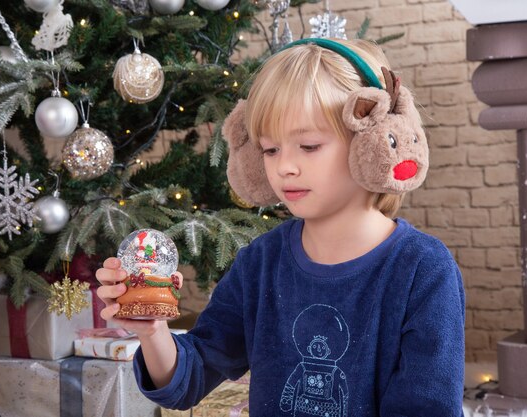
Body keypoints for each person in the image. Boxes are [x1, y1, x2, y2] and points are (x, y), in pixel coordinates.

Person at [96, 38, 465, 416]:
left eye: (308, 146)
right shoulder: (260, 263)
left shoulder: (424, 270)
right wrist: (152, 330)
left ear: (369, 143)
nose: (284, 167)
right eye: (270, 150)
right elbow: (189, 378)